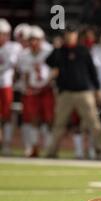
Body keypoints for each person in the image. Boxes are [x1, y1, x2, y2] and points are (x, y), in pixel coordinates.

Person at [45, 25, 101, 159]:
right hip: (65, 93)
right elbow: (48, 61)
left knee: (94, 123)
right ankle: (51, 152)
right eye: (67, 34)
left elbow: (92, 71)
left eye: (72, 34)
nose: (69, 36)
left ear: (76, 35)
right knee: (59, 124)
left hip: (84, 92)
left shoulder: (83, 50)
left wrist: (97, 90)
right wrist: (56, 48)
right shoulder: (60, 51)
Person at [18, 26, 54, 157]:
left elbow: (55, 70)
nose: (34, 42)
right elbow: (25, 74)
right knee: (33, 119)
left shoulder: (49, 51)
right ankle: (34, 147)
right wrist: (27, 87)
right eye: (31, 39)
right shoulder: (24, 55)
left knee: (49, 119)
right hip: (33, 90)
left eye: (37, 40)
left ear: (42, 40)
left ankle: (49, 148)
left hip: (46, 89)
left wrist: (49, 82)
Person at [0, 19, 20, 155]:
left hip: (5, 85)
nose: (4, 37)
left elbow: (11, 63)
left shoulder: (13, 47)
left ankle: (6, 143)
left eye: (5, 34)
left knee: (6, 116)